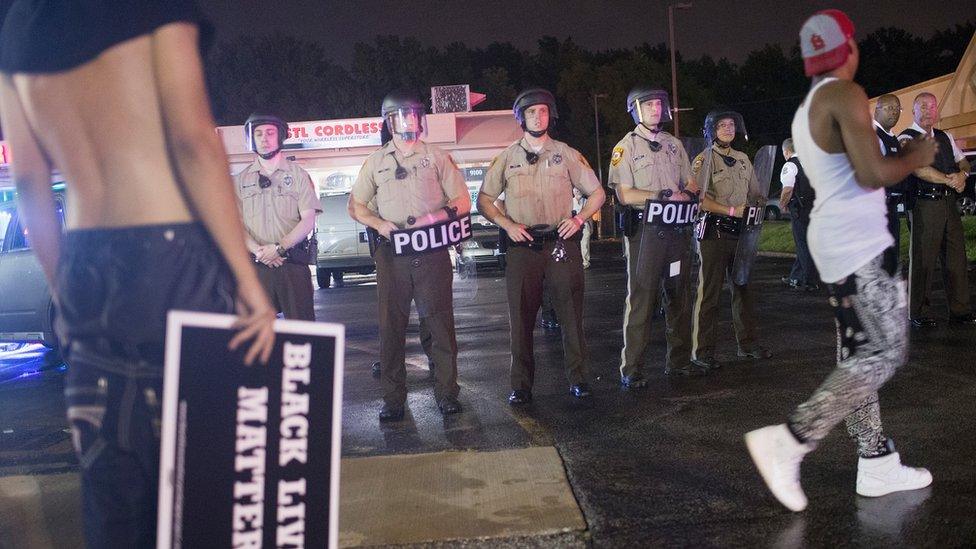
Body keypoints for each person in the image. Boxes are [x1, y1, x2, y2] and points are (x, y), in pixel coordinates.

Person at [0, 2, 276, 545]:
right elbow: (193, 141)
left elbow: (30, 184)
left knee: (111, 478)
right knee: (206, 478)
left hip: (82, 258)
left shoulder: (16, 25)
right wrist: (245, 280)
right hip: (171, 257)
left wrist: (66, 293)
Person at [745, 9, 936, 512]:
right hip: (859, 243)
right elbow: (874, 173)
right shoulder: (844, 94)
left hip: (838, 241)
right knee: (883, 354)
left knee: (859, 358)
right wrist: (919, 157)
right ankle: (789, 439)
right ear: (848, 48)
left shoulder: (810, 104)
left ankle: (875, 463)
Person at [477, 88, 605, 404]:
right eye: (532, 112)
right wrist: (507, 224)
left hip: (561, 245)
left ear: (551, 115)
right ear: (521, 117)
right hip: (523, 248)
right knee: (520, 319)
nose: (539, 116)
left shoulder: (567, 154)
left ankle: (579, 379)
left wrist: (579, 220)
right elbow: (484, 200)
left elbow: (598, 193)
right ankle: (521, 385)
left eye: (544, 111)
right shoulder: (506, 159)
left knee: (571, 317)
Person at [348, 90, 470, 421]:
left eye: (415, 115)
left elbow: (463, 200)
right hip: (392, 255)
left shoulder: (437, 156)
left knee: (440, 324)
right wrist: (378, 223)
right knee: (391, 327)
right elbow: (355, 205)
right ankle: (393, 399)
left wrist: (437, 216)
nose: (410, 121)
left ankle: (447, 393)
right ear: (389, 122)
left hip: (431, 250)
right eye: (402, 116)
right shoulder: (376, 162)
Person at [609, 86, 703, 383]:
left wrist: (686, 193)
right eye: (647, 105)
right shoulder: (625, 148)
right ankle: (632, 370)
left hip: (676, 232)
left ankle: (679, 362)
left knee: (679, 295)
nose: (654, 109)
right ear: (635, 110)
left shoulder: (674, 144)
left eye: (658, 104)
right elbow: (624, 194)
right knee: (642, 300)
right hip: (645, 233)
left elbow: (692, 182)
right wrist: (662, 195)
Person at [690, 109, 771, 371]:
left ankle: (747, 345)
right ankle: (702, 352)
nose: (728, 129)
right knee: (709, 294)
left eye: (731, 125)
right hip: (714, 232)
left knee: (743, 289)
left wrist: (757, 206)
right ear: (712, 130)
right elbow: (699, 199)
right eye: (722, 125)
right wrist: (731, 211)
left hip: (742, 233)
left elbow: (756, 194)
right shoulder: (704, 159)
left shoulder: (744, 159)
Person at [898, 93, 976, 327]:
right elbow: (920, 170)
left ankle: (960, 310)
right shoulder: (906, 138)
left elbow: (962, 161)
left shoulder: (945, 136)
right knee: (923, 259)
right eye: (923, 106)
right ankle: (918, 312)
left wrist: (962, 174)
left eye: (932, 106)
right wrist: (950, 179)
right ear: (914, 110)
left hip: (948, 204)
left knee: (956, 259)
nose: (928, 110)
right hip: (924, 205)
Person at [234, 112, 321, 321]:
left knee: (303, 333)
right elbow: (234, 224)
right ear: (251, 139)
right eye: (258, 134)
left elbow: (308, 219)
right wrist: (259, 251)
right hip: (256, 268)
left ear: (280, 136)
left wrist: (279, 248)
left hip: (292, 265)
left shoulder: (299, 175)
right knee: (259, 339)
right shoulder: (239, 180)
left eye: (270, 133)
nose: (264, 138)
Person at [778, 138, 820, 291]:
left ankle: (808, 281)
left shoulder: (790, 164)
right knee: (806, 244)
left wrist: (783, 204)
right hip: (815, 208)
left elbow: (788, 189)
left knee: (803, 244)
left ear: (786, 151)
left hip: (801, 210)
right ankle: (796, 276)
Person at [873, 94, 910, 254]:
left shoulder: (891, 137)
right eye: (889, 108)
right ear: (877, 111)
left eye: (897, 109)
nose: (894, 112)